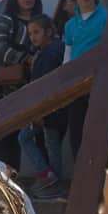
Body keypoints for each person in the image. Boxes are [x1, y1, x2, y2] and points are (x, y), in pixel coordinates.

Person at [62, 0, 108, 160]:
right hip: (77, 86)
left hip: (100, 83)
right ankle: (80, 174)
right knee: (77, 132)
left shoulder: (106, 17)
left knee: (99, 132)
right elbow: (68, 55)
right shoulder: (70, 25)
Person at [19, 15, 67, 198]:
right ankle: (47, 176)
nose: (32, 37)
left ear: (48, 32)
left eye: (36, 32)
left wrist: (40, 112)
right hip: (47, 109)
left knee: (51, 146)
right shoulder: (45, 51)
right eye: (30, 33)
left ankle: (53, 182)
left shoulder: (50, 53)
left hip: (50, 110)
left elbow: (46, 85)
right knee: (33, 139)